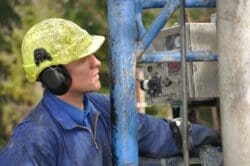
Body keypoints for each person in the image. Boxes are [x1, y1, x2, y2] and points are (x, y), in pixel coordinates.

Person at [0, 18, 218, 165]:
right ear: (54, 75)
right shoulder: (33, 139)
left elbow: (155, 133)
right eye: (84, 59)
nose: (96, 63)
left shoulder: (100, 107)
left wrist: (217, 139)